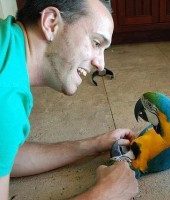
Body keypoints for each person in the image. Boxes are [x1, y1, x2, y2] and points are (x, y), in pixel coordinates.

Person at [0, 0, 139, 199]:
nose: (101, 64)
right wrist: (104, 194)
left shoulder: (6, 42)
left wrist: (91, 145)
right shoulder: (6, 96)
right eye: (96, 42)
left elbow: (6, 155)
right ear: (50, 23)